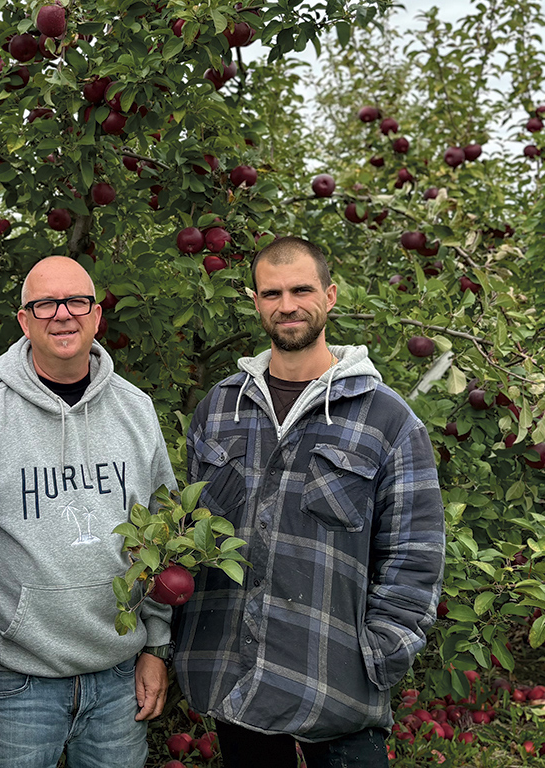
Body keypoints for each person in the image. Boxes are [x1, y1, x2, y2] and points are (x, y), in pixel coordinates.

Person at [174, 236, 445, 767]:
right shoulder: (221, 409)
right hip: (234, 674)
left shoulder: (385, 418)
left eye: (301, 289)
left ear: (331, 295)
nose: (287, 304)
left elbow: (416, 553)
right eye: (271, 292)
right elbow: (190, 531)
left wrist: (381, 652)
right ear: (255, 301)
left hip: (334, 678)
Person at [0, 256, 177, 768]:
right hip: (13, 683)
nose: (62, 315)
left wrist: (155, 646)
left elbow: (164, 539)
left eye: (76, 301)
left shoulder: (135, 409)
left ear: (97, 315)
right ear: (24, 320)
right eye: (45, 304)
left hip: (119, 679)